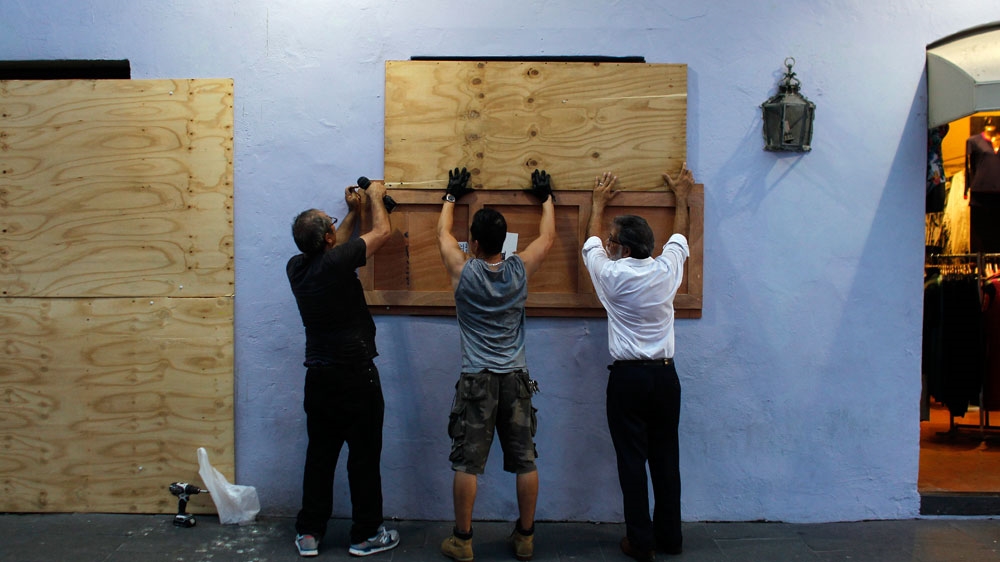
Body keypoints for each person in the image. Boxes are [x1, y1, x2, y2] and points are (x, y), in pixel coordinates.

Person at [437, 167, 555, 562]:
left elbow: (441, 236)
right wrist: (547, 198)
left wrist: (451, 196)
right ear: (503, 241)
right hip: (515, 379)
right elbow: (549, 237)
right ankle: (525, 538)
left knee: (467, 462)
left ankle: (463, 541)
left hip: (477, 380)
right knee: (525, 459)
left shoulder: (463, 271)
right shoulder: (519, 270)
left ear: (472, 242)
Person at [582, 165, 693, 562]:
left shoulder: (610, 276)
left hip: (627, 380)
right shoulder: (667, 270)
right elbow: (680, 236)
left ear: (624, 249)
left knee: (632, 461)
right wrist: (680, 196)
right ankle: (670, 539)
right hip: (666, 378)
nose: (608, 244)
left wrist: (597, 203)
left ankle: (640, 541)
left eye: (614, 240)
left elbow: (590, 241)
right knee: (667, 459)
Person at [286, 180, 400, 558]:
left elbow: (334, 252)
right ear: (329, 238)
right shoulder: (333, 261)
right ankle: (367, 534)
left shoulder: (297, 269)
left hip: (318, 379)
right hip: (355, 377)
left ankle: (309, 533)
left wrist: (351, 213)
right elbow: (382, 231)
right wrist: (376, 197)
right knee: (363, 457)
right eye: (332, 224)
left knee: (320, 454)